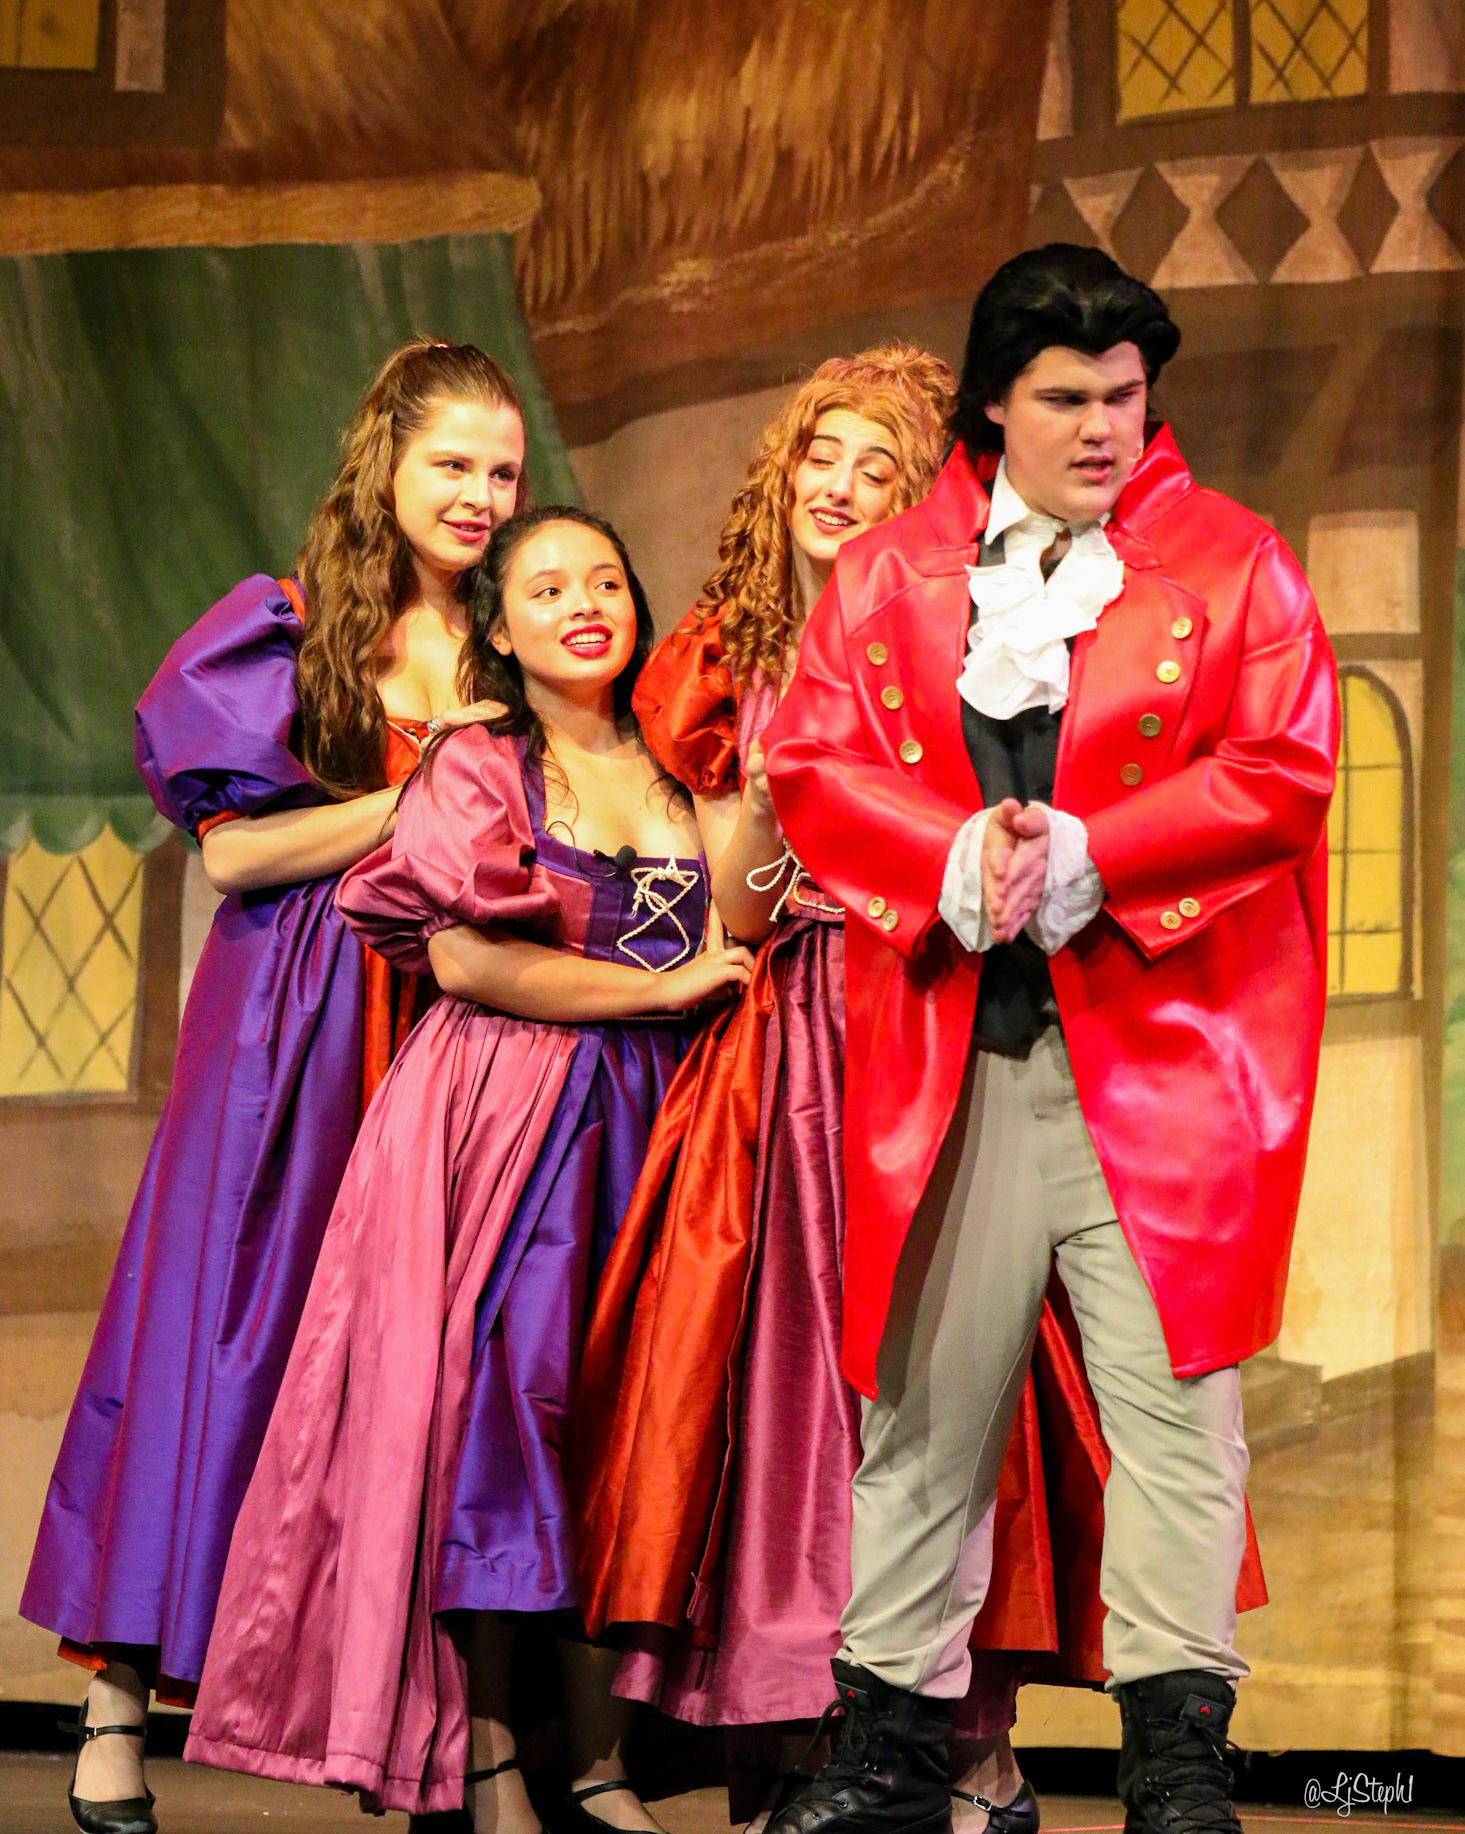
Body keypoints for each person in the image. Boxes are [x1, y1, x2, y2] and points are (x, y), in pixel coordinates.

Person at [759, 245, 1338, 1834]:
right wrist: (947, 854)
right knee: (922, 1412)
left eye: (1123, 397)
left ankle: (1175, 1763)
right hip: (957, 1057)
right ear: (993, 408)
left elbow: (1282, 769)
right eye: (1067, 398)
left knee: (1176, 1422)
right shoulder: (887, 576)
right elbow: (812, 760)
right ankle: (886, 1752)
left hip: (1161, 1060)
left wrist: (1097, 851)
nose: (1103, 429)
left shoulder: (1232, 564)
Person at [572, 348, 1123, 1832]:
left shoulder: (972, 643)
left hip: (924, 1022)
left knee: (944, 1373)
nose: (838, 485)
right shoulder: (726, 662)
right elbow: (738, 912)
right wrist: (770, 783)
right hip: (783, 1056)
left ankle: (965, 1746)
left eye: (878, 469)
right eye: (820, 455)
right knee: (783, 1388)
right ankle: (793, 1746)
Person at [21, 338, 527, 1834]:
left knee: (430, 1373)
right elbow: (239, 853)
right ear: (386, 461)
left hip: (454, 1028)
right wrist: (417, 792)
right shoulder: (288, 629)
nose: (480, 496)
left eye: (503, 472)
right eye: (452, 464)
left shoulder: (513, 646)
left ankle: (445, 1742)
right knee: (217, 1346)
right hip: (293, 1026)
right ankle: (117, 1714)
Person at [185, 508, 755, 1832]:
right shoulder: (482, 764)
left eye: (604, 581)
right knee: (501, 1422)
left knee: (627, 1429)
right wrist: (655, 990)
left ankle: (601, 1764)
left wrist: (759, 796)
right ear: (497, 626)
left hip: (661, 1126)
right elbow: (464, 959)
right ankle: (488, 1759)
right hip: (510, 1116)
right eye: (545, 588)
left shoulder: (680, 767)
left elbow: (742, 918)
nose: (583, 604)